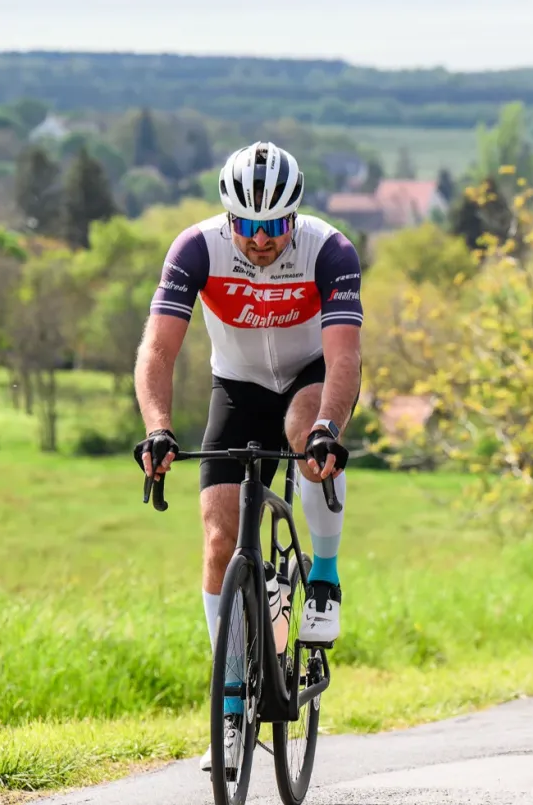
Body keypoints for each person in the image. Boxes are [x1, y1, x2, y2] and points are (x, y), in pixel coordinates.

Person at [132, 142, 361, 773]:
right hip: (236, 385)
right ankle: (232, 706)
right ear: (230, 218)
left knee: (305, 440)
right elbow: (157, 351)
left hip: (310, 377)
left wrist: (327, 429)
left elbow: (344, 356)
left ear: (295, 216)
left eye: (275, 225)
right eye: (250, 226)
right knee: (217, 537)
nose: (262, 240)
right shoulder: (197, 249)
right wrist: (158, 429)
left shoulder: (329, 250)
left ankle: (324, 574)